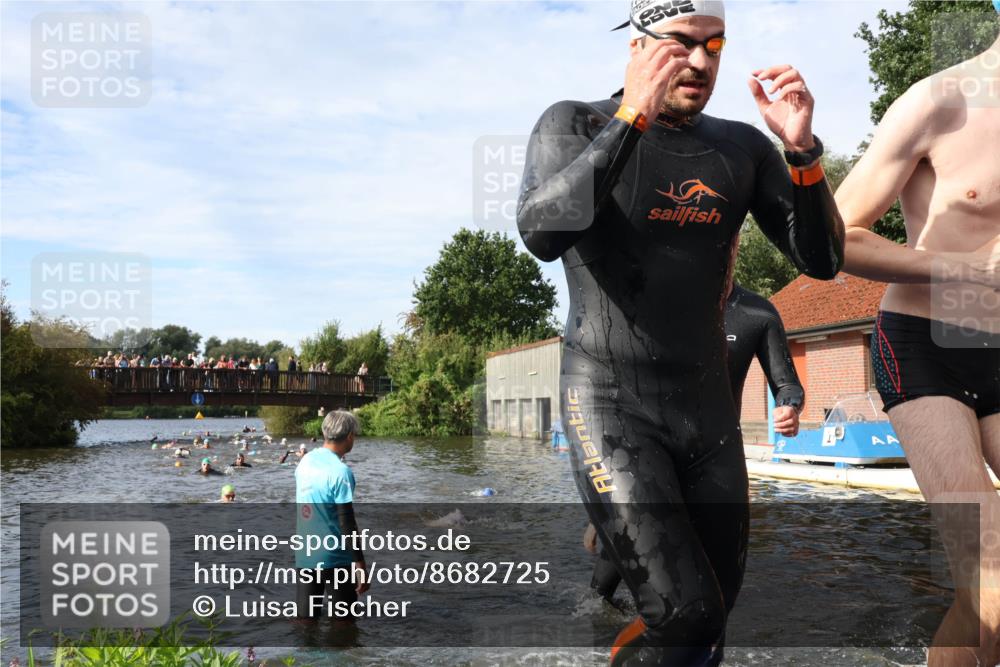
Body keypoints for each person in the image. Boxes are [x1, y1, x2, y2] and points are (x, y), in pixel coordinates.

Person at [516, 0, 844, 663]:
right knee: (685, 613)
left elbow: (824, 260)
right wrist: (632, 117)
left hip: (706, 414)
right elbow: (542, 231)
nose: (699, 62)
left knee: (709, 622)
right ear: (637, 44)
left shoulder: (741, 148)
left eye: (714, 46)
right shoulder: (575, 122)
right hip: (610, 404)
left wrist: (803, 151)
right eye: (681, 44)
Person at [834, 16, 1000, 666]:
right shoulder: (940, 103)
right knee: (990, 580)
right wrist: (970, 270)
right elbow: (835, 237)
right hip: (927, 348)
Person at [586, 279, 804, 602]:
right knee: (608, 579)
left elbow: (787, 384)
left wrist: (790, 406)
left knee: (718, 575)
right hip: (652, 453)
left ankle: (696, 642)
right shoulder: (660, 302)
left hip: (717, 456)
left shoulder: (758, 314)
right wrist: (601, 505)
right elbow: (621, 388)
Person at [294, 410, 369, 620]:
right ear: (350, 436)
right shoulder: (341, 472)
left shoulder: (305, 462)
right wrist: (360, 564)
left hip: (305, 554)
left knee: (305, 621)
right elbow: (347, 522)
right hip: (335, 557)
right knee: (344, 624)